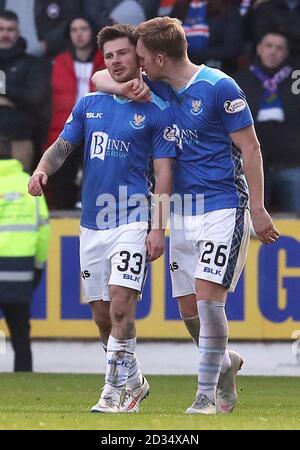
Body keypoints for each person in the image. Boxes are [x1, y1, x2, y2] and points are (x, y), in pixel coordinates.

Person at [92, 16, 280, 415]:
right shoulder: (155, 88)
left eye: (140, 57)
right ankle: (225, 362)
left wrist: (259, 209)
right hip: (181, 211)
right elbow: (97, 79)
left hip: (223, 206)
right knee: (189, 310)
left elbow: (252, 148)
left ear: (159, 57)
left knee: (211, 301)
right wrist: (124, 84)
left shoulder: (219, 87)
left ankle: (205, 395)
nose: (136, 64)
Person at [28, 24, 176, 413]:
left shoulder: (157, 110)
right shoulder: (90, 103)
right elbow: (63, 146)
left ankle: (113, 393)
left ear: (137, 56)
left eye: (122, 53)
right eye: (108, 56)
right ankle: (135, 381)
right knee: (101, 315)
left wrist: (157, 228)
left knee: (121, 305)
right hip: (91, 223)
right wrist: (43, 169)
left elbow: (163, 176)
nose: (115, 61)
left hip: (131, 218)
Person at [235, 31, 300, 212]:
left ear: (286, 53)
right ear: (259, 49)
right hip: (253, 165)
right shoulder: (240, 80)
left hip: (292, 165)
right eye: (268, 46)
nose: (273, 51)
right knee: (252, 221)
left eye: (279, 48)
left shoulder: (296, 80)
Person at [0, 135, 50, 372]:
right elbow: (43, 231)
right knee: (21, 335)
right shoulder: (27, 183)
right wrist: (38, 267)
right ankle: (24, 376)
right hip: (21, 270)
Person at [45, 15, 105, 210]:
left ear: (93, 32)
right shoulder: (58, 62)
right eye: (74, 29)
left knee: (95, 177)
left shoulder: (105, 61)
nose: (79, 34)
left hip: (97, 127)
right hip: (65, 128)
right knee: (62, 179)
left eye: (84, 29)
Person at [0, 10, 49, 173]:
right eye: (1, 29)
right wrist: (12, 97)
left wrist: (3, 87)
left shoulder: (32, 63)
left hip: (19, 141)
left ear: (18, 32)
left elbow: (34, 98)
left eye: (10, 29)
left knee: (18, 196)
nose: (5, 34)